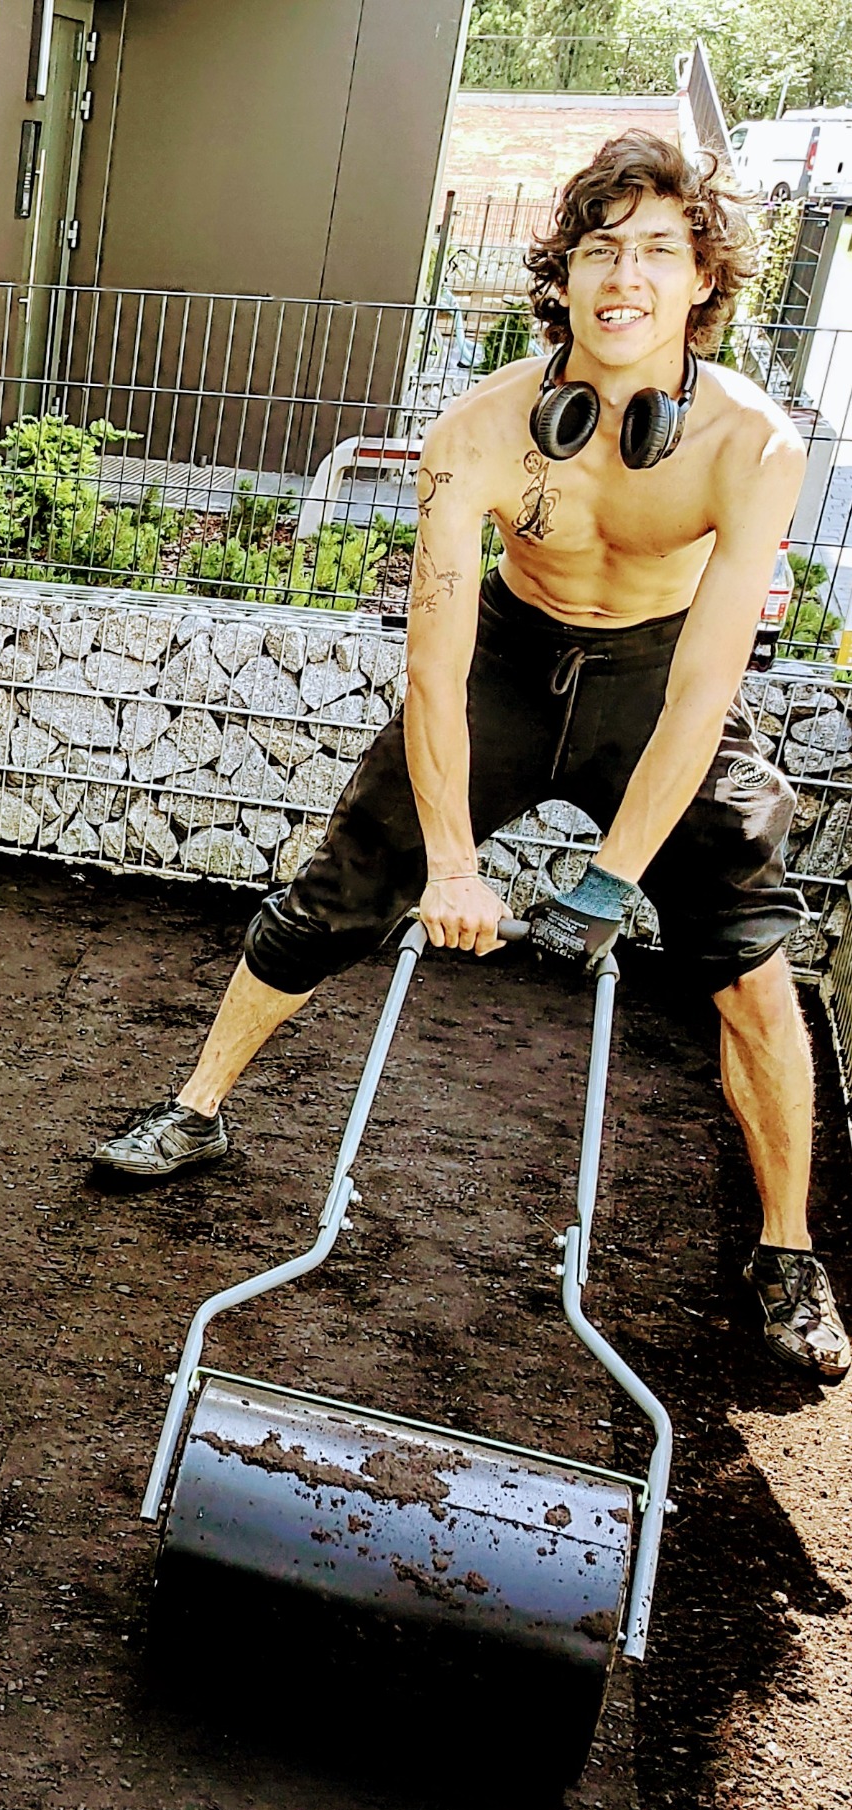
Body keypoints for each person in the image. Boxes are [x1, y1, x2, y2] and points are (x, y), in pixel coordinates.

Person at [92, 132, 848, 1381]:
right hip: (504, 657)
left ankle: (785, 1250)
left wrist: (609, 880)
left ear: (702, 280)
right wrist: (448, 861)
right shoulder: (481, 427)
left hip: (658, 680)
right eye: (600, 248)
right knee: (336, 888)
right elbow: (435, 665)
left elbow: (705, 687)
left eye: (659, 251)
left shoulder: (751, 444)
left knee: (751, 962)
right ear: (564, 274)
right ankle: (195, 1107)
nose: (625, 276)